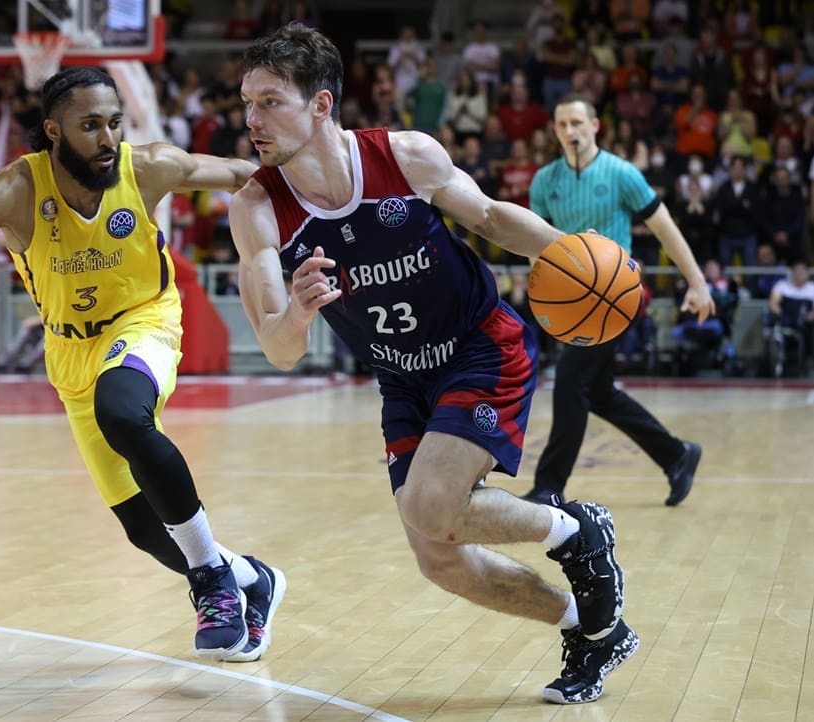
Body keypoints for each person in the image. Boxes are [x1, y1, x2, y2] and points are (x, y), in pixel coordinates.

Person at [230, 23, 638, 705]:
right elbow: (279, 347)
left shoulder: (405, 155)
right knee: (437, 557)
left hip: (479, 347)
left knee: (430, 504)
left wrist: (567, 251)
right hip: (401, 376)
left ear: (321, 105)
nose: (252, 119)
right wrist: (296, 312)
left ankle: (576, 530)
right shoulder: (256, 209)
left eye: (270, 102)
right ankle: (592, 628)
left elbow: (491, 217)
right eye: (247, 103)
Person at [0, 66, 284, 664]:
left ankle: (212, 583)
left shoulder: (148, 167)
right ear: (54, 131)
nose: (108, 138)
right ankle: (251, 578)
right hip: (68, 352)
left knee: (123, 412)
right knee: (144, 529)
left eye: (114, 123)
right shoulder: (13, 190)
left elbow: (249, 176)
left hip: (145, 320)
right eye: (90, 126)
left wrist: (327, 167)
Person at [521, 95, 716, 508]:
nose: (570, 131)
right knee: (598, 392)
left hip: (615, 297)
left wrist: (697, 282)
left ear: (595, 126)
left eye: (577, 122)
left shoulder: (622, 173)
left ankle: (548, 487)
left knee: (570, 382)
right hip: (570, 301)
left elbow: (663, 227)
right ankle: (676, 455)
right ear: (554, 131)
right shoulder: (543, 181)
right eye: (562, 125)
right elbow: (535, 247)